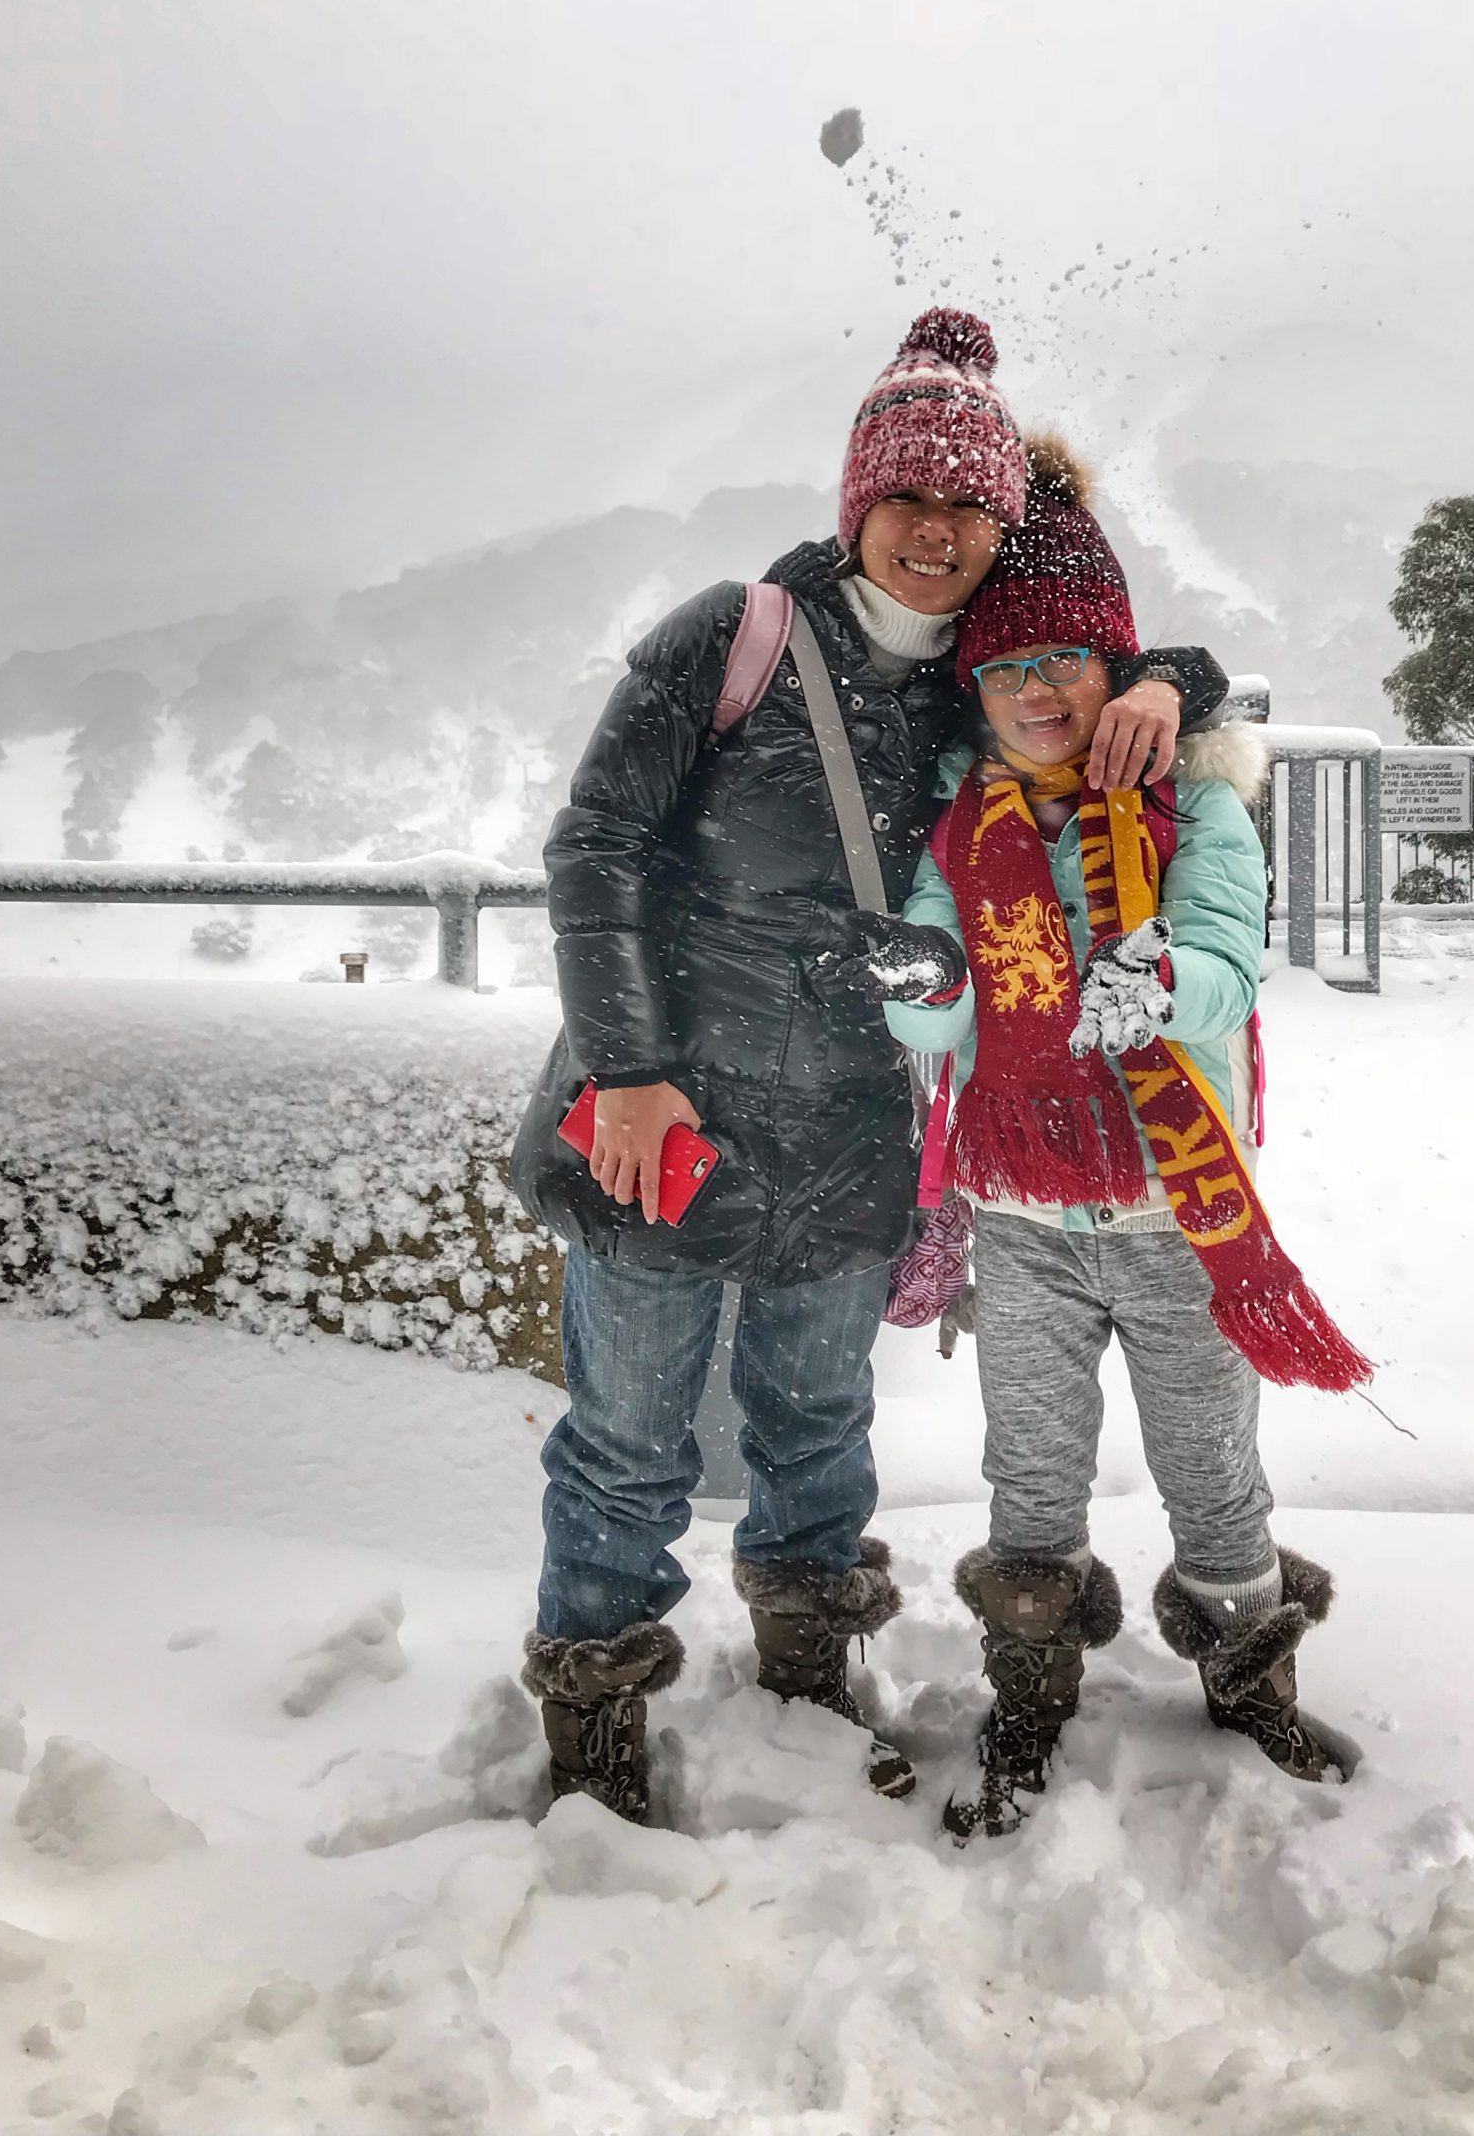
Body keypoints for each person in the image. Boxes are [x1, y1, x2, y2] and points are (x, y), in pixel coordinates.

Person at [510, 310, 1231, 1821]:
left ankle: (804, 1690)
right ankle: (592, 1738)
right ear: (857, 504)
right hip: (673, 1111)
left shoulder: (973, 674)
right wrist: (629, 1066)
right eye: (909, 498)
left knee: (818, 1433)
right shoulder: (738, 635)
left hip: (847, 1125)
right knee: (630, 1445)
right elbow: (597, 844)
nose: (939, 530)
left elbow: (1083, 665)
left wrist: (1180, 681)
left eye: (973, 504)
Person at [881, 437, 1368, 1840]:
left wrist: (1160, 980)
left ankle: (1248, 1680)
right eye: (1007, 671)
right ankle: (1029, 1687)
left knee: (1212, 1467)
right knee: (1027, 1472)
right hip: (1022, 1217)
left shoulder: (1193, 806)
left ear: (1118, 676)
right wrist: (917, 986)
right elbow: (941, 1019)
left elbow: (1222, 961)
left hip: (1175, 1211)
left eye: (1066, 666)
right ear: (976, 693)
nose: (1038, 693)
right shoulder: (961, 837)